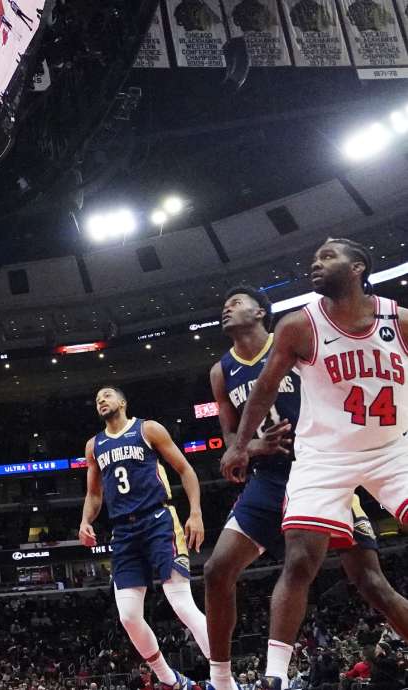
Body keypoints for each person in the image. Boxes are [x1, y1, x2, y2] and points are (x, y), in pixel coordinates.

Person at [220, 239, 408, 690]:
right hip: (323, 456)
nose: (315, 264)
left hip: (392, 448)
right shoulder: (299, 326)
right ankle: (275, 677)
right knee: (301, 557)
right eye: (314, 260)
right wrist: (240, 445)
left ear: (358, 266)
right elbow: (264, 388)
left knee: (371, 581)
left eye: (327, 257)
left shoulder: (398, 320)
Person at [78, 386, 211, 690]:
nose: (101, 400)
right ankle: (169, 679)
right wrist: (86, 520)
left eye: (107, 395)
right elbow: (94, 494)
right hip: (123, 531)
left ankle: (223, 679)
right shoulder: (94, 445)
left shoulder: (147, 429)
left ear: (123, 402)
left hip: (158, 520)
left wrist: (195, 513)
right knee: (127, 616)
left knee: (181, 603)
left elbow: (185, 469)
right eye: (97, 397)